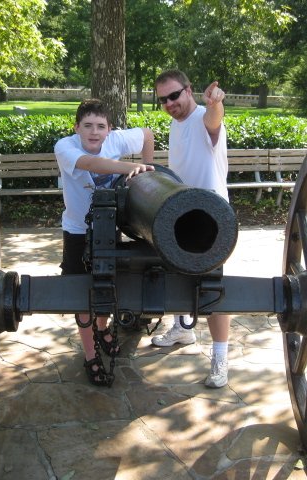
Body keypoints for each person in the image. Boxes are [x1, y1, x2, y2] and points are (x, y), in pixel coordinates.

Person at [54, 99, 155, 386]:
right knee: (81, 291)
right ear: (77, 128)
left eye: (100, 126)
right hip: (77, 230)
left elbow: (147, 135)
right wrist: (134, 166)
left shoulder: (116, 140)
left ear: (110, 129)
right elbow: (90, 164)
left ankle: (103, 328)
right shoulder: (65, 146)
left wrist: (146, 172)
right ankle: (90, 354)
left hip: (109, 225)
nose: (94, 132)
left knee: (107, 281)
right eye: (87, 126)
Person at [151, 69, 231, 389]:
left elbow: (214, 120)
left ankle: (220, 357)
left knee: (212, 290)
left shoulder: (202, 117)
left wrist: (215, 103)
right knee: (176, 270)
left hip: (211, 217)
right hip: (182, 211)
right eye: (163, 100)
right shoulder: (176, 124)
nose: (169, 103)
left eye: (174, 95)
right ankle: (182, 329)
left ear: (188, 90)